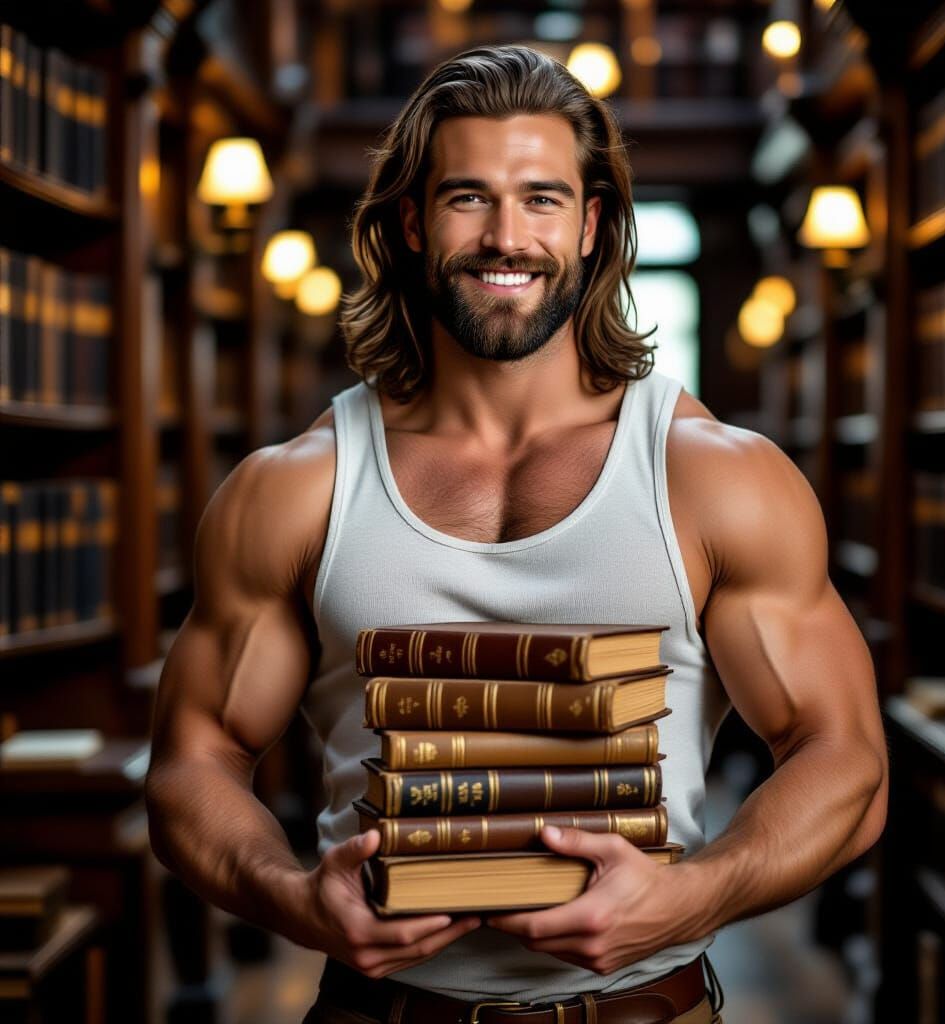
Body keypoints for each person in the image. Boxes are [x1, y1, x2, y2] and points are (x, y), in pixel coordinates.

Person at [145, 44, 888, 1024]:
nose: (506, 237)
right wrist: (293, 897)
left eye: (541, 199)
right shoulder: (294, 489)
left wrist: (691, 896)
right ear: (411, 223)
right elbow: (193, 759)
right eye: (467, 197)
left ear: (590, 226)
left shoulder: (715, 478)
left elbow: (845, 757)